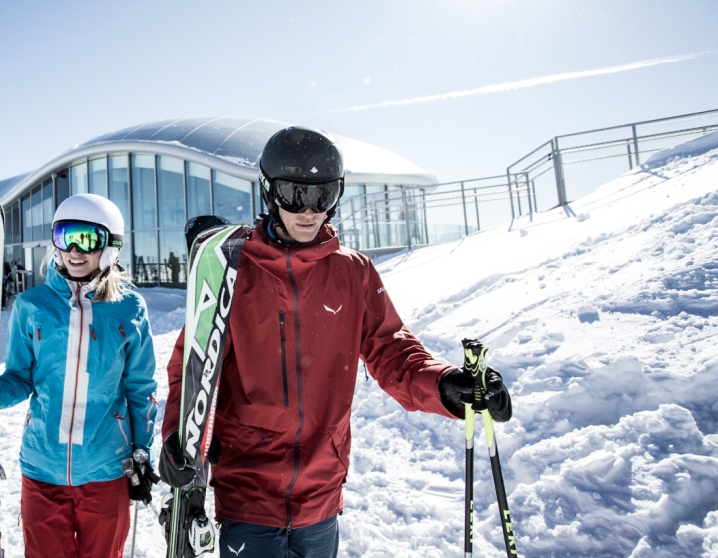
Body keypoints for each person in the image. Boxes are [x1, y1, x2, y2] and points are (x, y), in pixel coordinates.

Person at [157, 126, 513, 558]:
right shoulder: (233, 270)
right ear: (269, 192)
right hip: (249, 493)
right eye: (294, 194)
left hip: (322, 495)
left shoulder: (353, 272)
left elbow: (391, 348)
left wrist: (444, 386)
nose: (309, 211)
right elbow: (192, 365)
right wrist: (178, 435)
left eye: (323, 196)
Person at [0, 194, 159, 558]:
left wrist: (142, 452)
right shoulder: (33, 305)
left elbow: (140, 388)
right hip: (41, 468)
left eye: (88, 239)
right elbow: (20, 376)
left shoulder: (129, 308)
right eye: (66, 237)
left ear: (111, 246)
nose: (74, 251)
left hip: (106, 468)